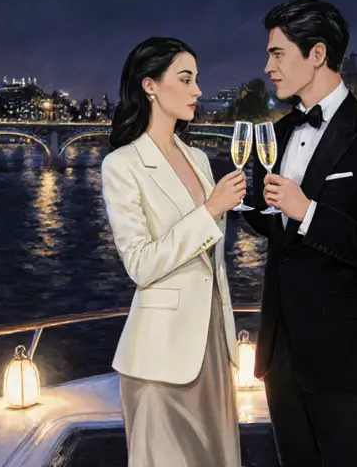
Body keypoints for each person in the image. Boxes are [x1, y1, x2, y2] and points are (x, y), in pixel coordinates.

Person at [241, 0, 357, 467]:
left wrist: (309, 212)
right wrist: (242, 206)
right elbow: (277, 231)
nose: (267, 67)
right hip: (279, 357)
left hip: (344, 364)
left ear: (317, 54)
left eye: (277, 54)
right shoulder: (276, 135)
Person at [100, 36, 247, 467]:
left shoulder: (198, 159)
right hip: (159, 358)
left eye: (196, 79)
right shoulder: (122, 165)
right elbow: (140, 264)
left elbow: (210, 259)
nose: (197, 90)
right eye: (186, 79)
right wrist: (211, 210)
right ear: (149, 86)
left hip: (212, 347)